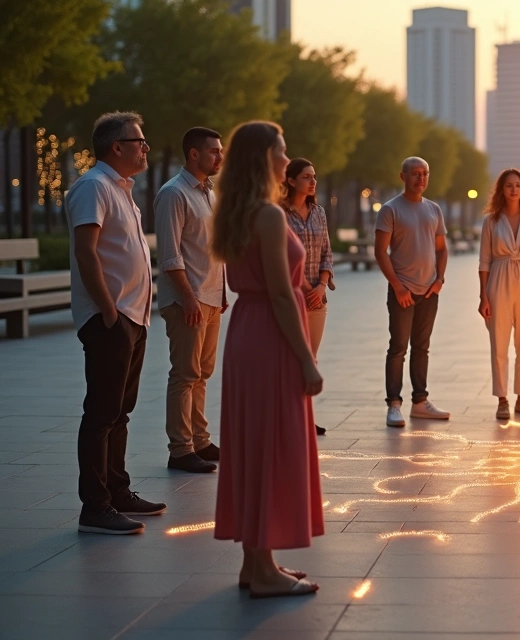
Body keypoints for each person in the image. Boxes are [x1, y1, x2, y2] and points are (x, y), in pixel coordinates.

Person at [212, 120, 323, 598]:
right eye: (281, 151)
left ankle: (257, 563)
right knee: (273, 444)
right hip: (272, 336)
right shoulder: (270, 216)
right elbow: (282, 293)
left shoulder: (239, 212)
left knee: (253, 444)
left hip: (245, 333)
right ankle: (262, 569)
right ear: (263, 158)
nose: (286, 158)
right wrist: (307, 359)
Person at [67, 111, 167, 535]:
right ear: (116, 146)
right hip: (111, 317)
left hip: (133, 316)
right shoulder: (93, 186)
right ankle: (96, 506)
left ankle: (117, 490)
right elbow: (87, 253)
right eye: (138, 141)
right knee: (102, 413)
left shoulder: (120, 188)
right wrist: (108, 310)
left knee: (120, 412)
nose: (145, 147)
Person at [155, 126, 227, 474]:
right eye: (214, 151)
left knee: (202, 374)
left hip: (211, 297)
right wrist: (189, 298)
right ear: (194, 154)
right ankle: (180, 449)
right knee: (184, 374)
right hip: (188, 300)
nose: (220, 156)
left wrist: (221, 293)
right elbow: (170, 255)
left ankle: (200, 439)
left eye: (221, 150)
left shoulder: (209, 193)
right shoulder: (173, 194)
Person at [375, 157, 450, 425]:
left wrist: (439, 279)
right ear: (402, 176)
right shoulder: (390, 210)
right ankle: (393, 404)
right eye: (415, 173)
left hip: (429, 291)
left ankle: (420, 401)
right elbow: (380, 252)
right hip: (402, 291)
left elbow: (441, 248)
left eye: (425, 173)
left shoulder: (434, 210)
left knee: (422, 347)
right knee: (398, 348)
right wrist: (397, 286)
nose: (421, 178)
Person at [478, 168, 520, 420]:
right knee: (499, 341)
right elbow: (484, 260)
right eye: (509, 185)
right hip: (499, 278)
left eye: (518, 185)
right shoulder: (491, 221)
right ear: (501, 190)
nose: (514, 189)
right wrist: (483, 296)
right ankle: (502, 399)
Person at [282, 158, 335, 437]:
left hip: (318, 298)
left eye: (314, 176)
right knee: (292, 358)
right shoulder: (280, 213)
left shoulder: (319, 212)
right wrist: (304, 287)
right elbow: (282, 256)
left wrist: (321, 286)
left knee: (311, 359)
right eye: (306, 177)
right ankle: (289, 417)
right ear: (290, 181)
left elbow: (327, 250)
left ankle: (305, 417)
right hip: (292, 296)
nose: (313, 181)